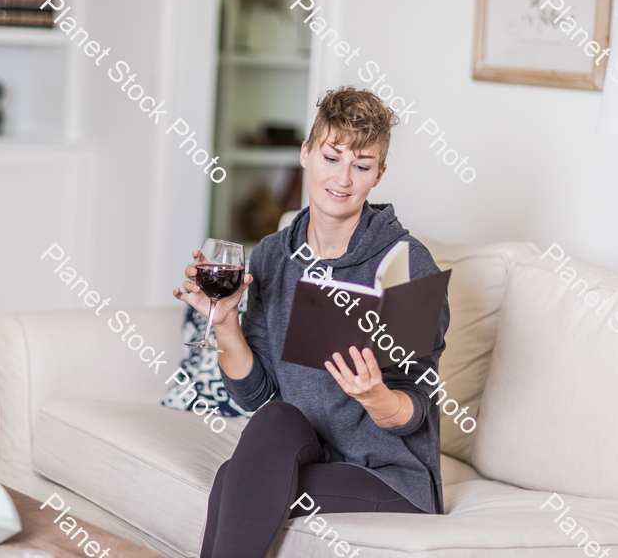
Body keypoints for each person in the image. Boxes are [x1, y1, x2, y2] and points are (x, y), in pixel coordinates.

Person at [173, 86, 451, 558]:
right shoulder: (274, 255)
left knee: (234, 482)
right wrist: (225, 324)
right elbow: (255, 397)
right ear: (306, 154)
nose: (342, 178)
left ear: (378, 174)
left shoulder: (406, 261)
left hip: (388, 474)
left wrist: (376, 397)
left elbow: (417, 407)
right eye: (331, 157)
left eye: (361, 165)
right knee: (275, 420)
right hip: (308, 450)